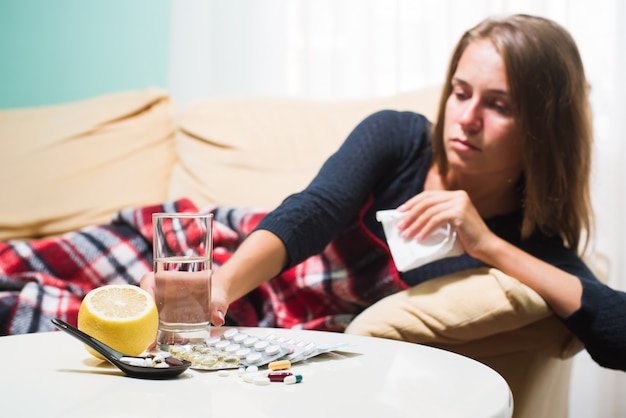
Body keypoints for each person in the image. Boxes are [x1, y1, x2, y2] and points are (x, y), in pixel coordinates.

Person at [140, 14, 626, 371]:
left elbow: (617, 334)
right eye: (460, 92)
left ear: (544, 130)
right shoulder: (398, 137)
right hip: (244, 260)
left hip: (295, 330)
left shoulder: (529, 245)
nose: (467, 117)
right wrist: (219, 285)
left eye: (498, 105)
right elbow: (315, 211)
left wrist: (488, 246)